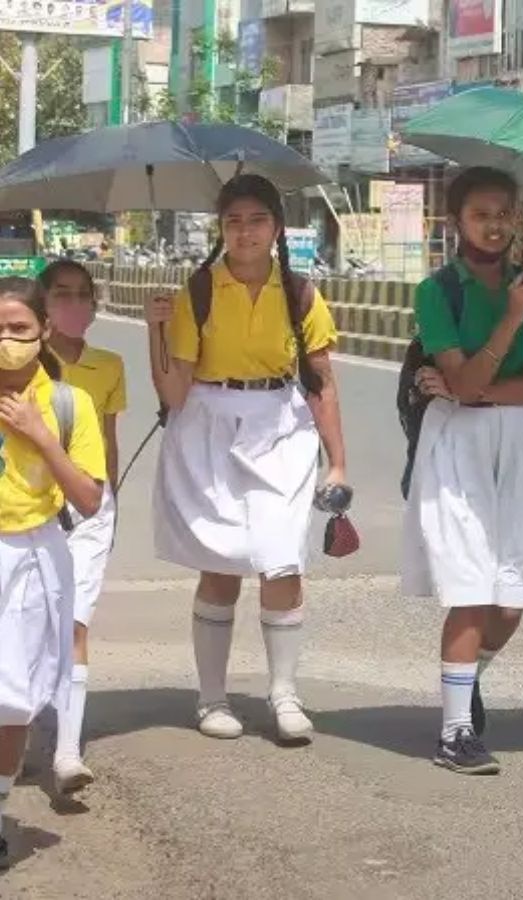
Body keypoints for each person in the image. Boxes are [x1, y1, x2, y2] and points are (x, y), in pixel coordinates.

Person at [144, 174, 347, 745]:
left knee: (282, 561)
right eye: (233, 221)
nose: (245, 232)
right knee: (222, 562)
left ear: (277, 228)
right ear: (221, 229)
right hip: (209, 424)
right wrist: (155, 330)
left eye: (257, 220)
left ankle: (284, 694)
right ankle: (212, 699)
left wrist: (339, 464)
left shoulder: (303, 293)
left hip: (281, 425)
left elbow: (323, 384)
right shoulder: (198, 291)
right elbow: (174, 392)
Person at [401, 167, 523, 775]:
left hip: (514, 443)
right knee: (470, 591)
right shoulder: (438, 291)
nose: (495, 226)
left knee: (511, 601)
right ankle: (455, 735)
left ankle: (465, 685)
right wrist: (510, 322)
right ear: (456, 222)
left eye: (504, 214)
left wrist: (481, 391)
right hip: (457, 448)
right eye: (480, 215)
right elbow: (461, 383)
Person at [0, 277, 105, 868]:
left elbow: (89, 500)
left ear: (44, 331)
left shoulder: (69, 404)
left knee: (14, 699)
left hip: (36, 557)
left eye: (19, 329)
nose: (8, 342)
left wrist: (41, 437)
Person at [39, 260, 126, 795]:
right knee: (26, 627)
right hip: (26, 511)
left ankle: (67, 751)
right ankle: (22, 728)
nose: (73, 304)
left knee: (74, 623)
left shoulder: (110, 365)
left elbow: (110, 442)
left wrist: (108, 503)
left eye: (82, 294)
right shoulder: (22, 363)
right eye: (61, 294)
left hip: (88, 509)